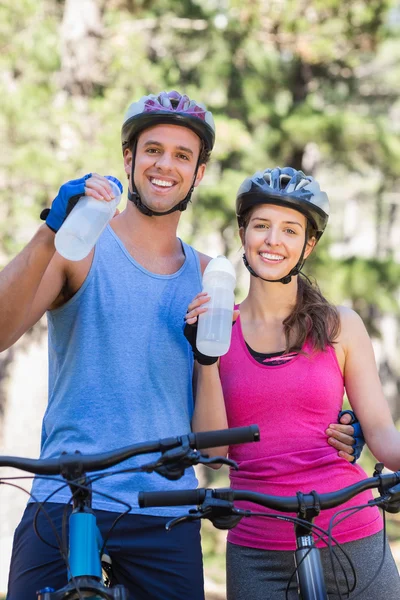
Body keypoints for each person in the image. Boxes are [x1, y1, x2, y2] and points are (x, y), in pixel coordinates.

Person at [0, 90, 356, 600]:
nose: (165, 165)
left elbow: (226, 432)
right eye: (153, 150)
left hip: (167, 511)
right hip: (67, 495)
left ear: (200, 173)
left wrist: (343, 427)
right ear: (129, 159)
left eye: (183, 155)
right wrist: (48, 232)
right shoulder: (78, 249)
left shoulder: (210, 278)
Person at [185, 167, 400, 599]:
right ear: (243, 233)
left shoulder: (342, 326)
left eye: (289, 230)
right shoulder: (216, 329)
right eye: (261, 226)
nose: (273, 240)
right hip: (257, 546)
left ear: (308, 244)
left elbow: (381, 435)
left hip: (350, 531)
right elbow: (211, 454)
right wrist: (206, 360)